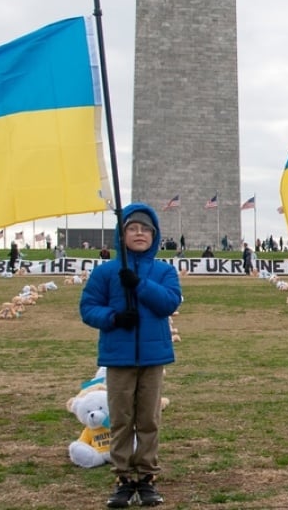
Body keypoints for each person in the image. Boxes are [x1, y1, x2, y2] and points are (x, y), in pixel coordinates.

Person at [79, 204, 182, 507]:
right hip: (119, 357)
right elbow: (88, 308)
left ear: (155, 235)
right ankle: (123, 476)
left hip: (153, 356)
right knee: (121, 418)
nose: (139, 234)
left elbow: (169, 302)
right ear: (121, 235)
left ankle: (147, 476)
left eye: (145, 229)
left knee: (149, 418)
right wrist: (113, 318)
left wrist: (139, 284)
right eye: (132, 228)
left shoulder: (164, 271)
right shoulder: (105, 272)